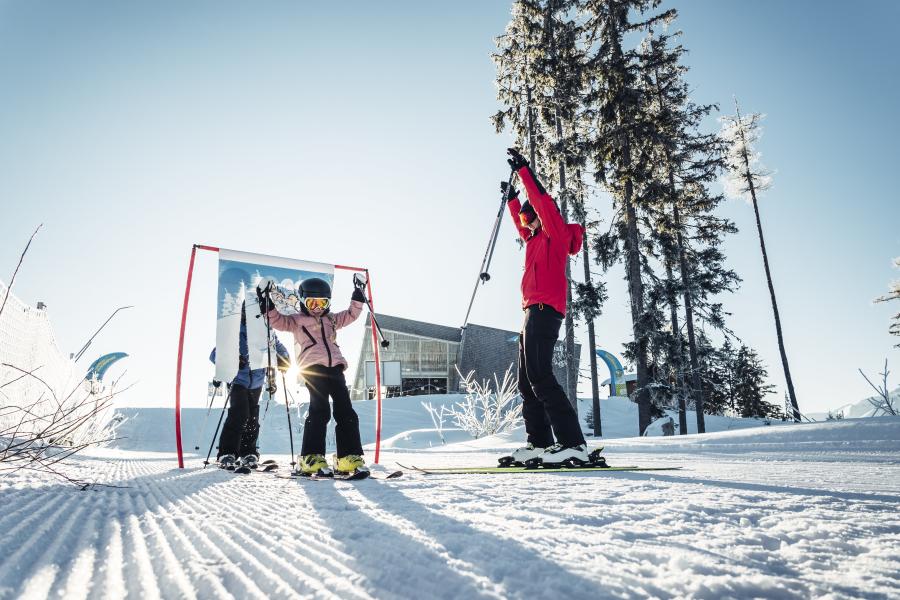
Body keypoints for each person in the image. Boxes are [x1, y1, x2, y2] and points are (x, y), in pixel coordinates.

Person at [503, 147, 590, 467]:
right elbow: (520, 222)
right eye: (525, 219)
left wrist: (525, 173)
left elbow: (544, 204)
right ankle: (539, 442)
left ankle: (574, 443)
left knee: (540, 376)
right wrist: (513, 201)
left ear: (542, 216)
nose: (527, 223)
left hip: (545, 310)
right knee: (527, 381)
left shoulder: (554, 234)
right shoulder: (534, 238)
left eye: (530, 217)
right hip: (530, 311)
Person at [258, 275, 368, 476]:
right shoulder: (296, 321)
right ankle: (311, 457)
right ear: (303, 302)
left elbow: (352, 314)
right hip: (312, 368)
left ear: (328, 303)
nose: (317, 307)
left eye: (322, 303)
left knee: (346, 410)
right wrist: (266, 303)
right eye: (312, 303)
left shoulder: (332, 319)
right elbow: (277, 321)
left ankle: (347, 457)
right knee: (321, 409)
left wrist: (358, 294)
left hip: (335, 367)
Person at [211, 301, 290, 469]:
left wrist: (284, 359)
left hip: (257, 380)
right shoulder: (234, 331)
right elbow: (215, 354)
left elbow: (278, 347)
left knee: (252, 416)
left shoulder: (267, 331)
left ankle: (248, 452)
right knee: (239, 413)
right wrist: (232, 358)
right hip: (237, 379)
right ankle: (227, 452)